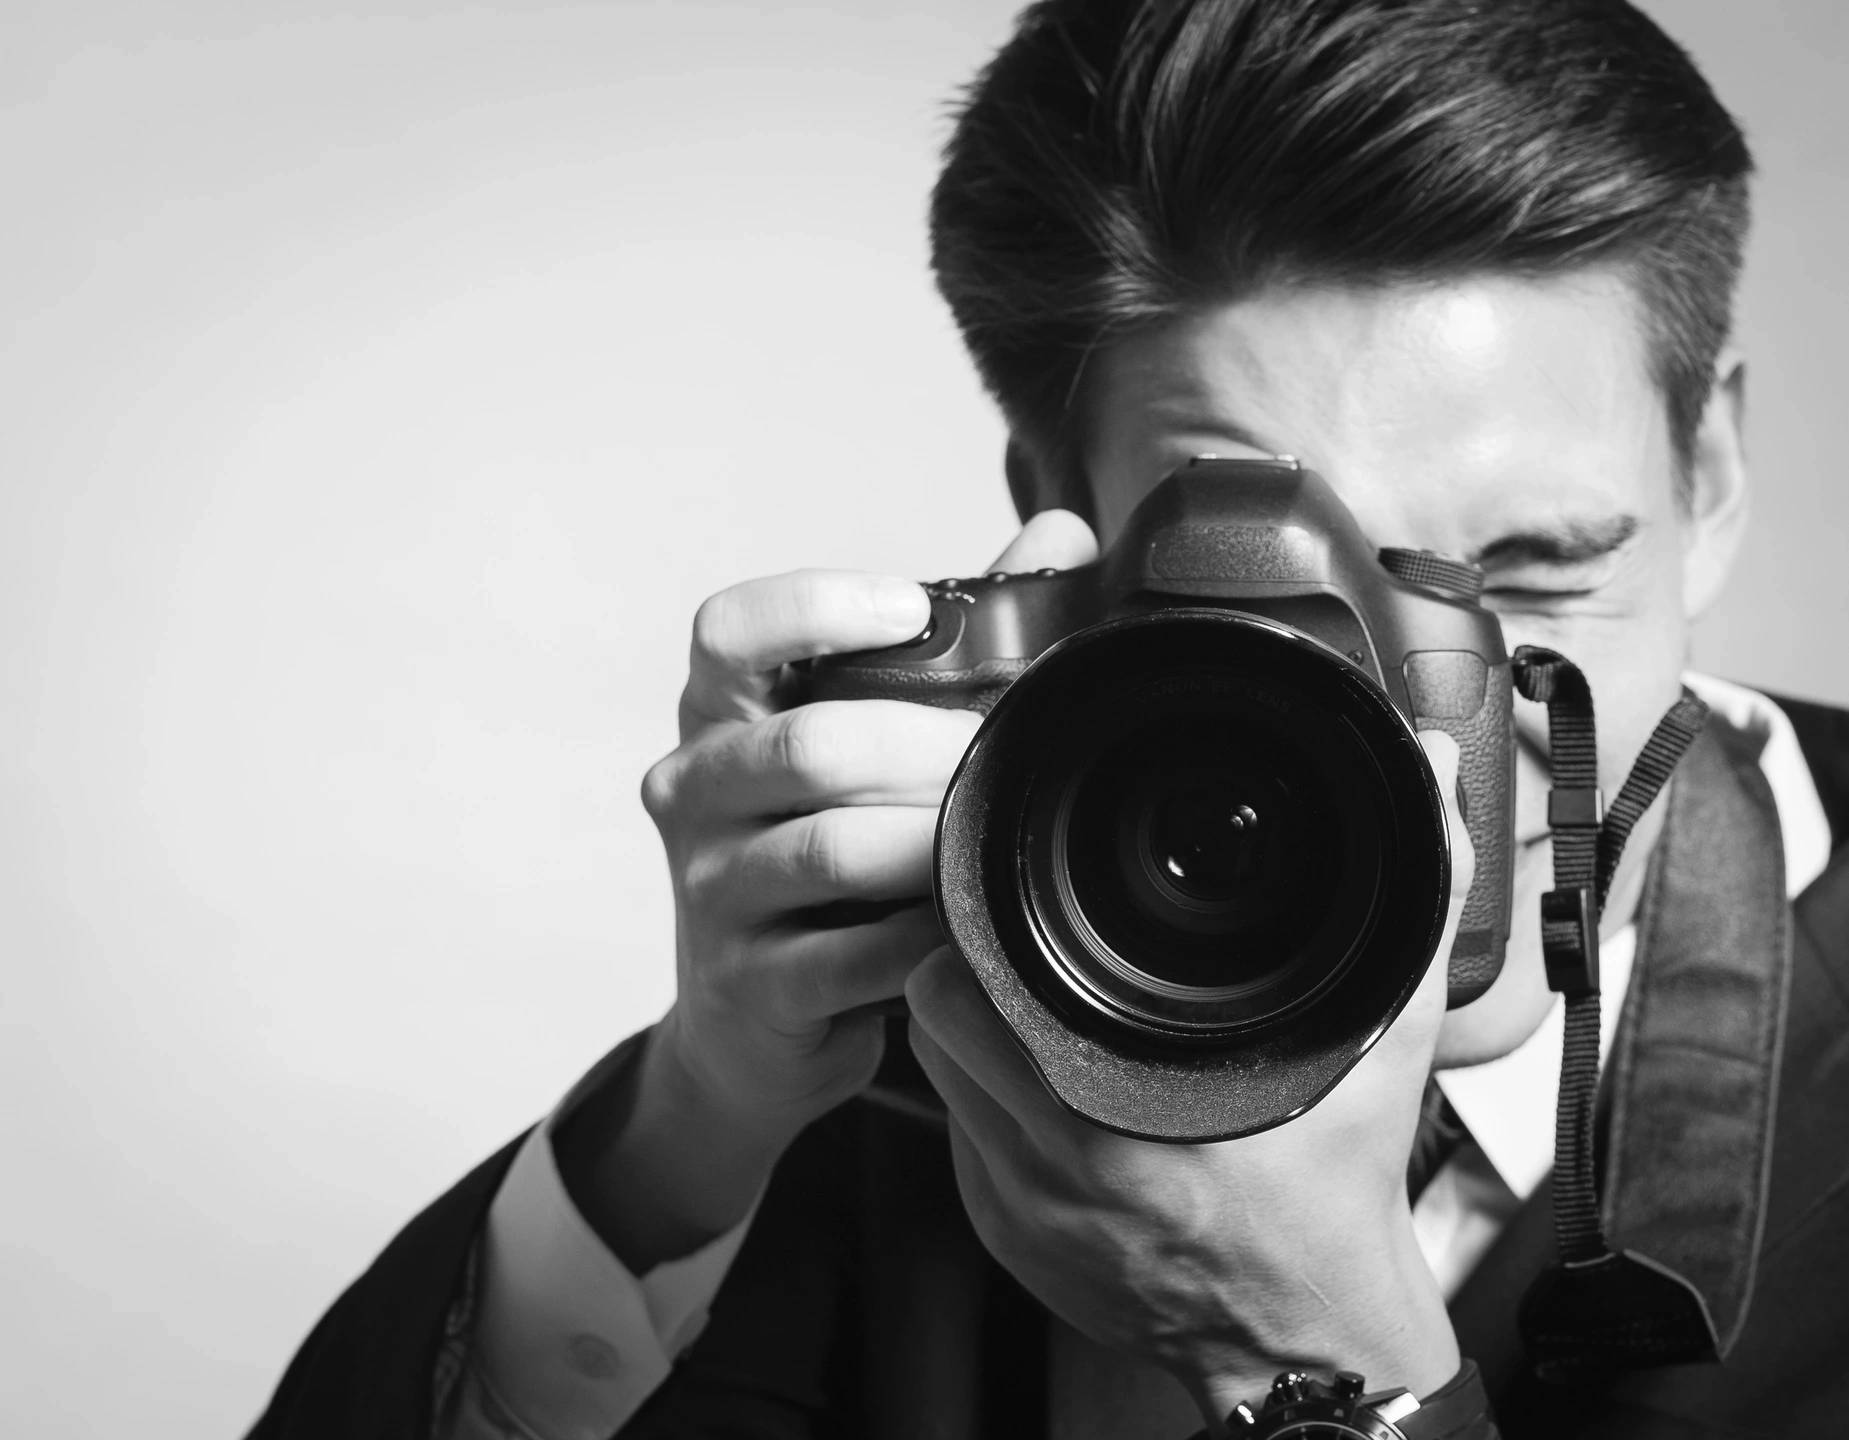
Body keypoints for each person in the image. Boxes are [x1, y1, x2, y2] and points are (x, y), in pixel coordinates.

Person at [249, 1, 1849, 1436]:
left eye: (1528, 575)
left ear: (1704, 476)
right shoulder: (944, 995)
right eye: (1274, 610)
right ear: (1057, 519)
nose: (1421, 764)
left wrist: (1315, 1364)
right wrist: (691, 1124)